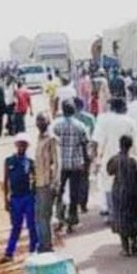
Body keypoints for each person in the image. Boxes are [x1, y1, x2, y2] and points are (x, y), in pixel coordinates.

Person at [92, 98, 136, 223]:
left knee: (108, 187)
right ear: (122, 108)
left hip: (108, 159)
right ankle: (125, 214)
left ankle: (112, 215)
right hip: (126, 158)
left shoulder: (103, 120)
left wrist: (96, 159)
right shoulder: (130, 121)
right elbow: (134, 143)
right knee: (126, 186)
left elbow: (97, 141)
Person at [0, 132, 39, 264]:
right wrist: (6, 199)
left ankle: (33, 250)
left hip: (28, 197)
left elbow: (35, 179)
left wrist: (35, 195)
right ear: (16, 145)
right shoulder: (9, 161)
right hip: (15, 198)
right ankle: (9, 253)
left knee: (32, 225)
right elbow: (5, 181)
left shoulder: (30, 162)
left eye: (24, 145)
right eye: (20, 144)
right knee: (16, 226)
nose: (22, 147)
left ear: (27, 147)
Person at [52, 100, 89, 233]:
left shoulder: (56, 126)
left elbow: (52, 145)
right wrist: (86, 163)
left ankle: (60, 218)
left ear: (63, 110)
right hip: (76, 164)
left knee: (59, 191)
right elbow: (85, 145)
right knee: (74, 193)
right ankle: (72, 220)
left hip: (61, 164)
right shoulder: (81, 126)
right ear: (74, 111)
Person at [107, 135, 137, 257]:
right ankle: (134, 244)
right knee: (134, 217)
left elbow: (109, 172)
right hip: (134, 193)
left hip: (119, 193)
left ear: (120, 144)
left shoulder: (115, 160)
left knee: (121, 218)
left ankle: (125, 248)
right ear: (130, 146)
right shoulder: (135, 161)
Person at [35, 114, 60, 253]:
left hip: (47, 183)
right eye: (38, 120)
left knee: (45, 216)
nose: (39, 123)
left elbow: (57, 164)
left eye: (42, 120)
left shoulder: (52, 139)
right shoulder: (39, 139)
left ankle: (47, 246)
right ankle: (43, 243)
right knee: (39, 216)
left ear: (48, 122)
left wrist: (55, 184)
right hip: (39, 182)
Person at [73, 97, 95, 213]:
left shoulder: (70, 118)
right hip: (86, 151)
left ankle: (75, 201)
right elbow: (94, 135)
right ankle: (83, 203)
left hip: (73, 152)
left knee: (74, 178)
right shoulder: (90, 118)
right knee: (85, 178)